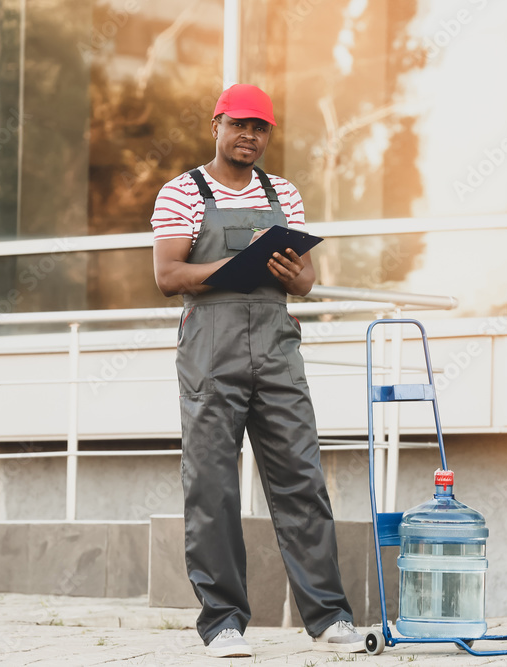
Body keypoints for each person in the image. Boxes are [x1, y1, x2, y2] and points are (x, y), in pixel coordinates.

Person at [150, 84, 364, 658]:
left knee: (302, 479)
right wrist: (237, 266)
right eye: (239, 124)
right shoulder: (182, 192)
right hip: (210, 350)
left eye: (260, 127)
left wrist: (288, 269)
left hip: (276, 346)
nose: (249, 135)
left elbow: (305, 282)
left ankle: (329, 619)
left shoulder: (284, 194)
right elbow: (169, 277)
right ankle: (223, 623)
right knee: (212, 488)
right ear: (216, 126)